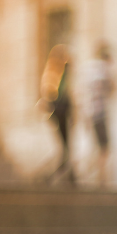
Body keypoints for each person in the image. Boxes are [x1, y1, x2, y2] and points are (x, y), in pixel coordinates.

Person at [40, 44, 74, 185]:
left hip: (63, 111)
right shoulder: (53, 73)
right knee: (63, 144)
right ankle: (65, 173)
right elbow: (49, 92)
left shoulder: (63, 72)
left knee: (66, 144)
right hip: (58, 110)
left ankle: (69, 174)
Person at [82, 41, 115, 187]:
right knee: (104, 147)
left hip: (88, 112)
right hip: (99, 113)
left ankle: (96, 176)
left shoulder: (89, 69)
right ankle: (100, 178)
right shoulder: (103, 69)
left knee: (96, 146)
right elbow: (111, 88)